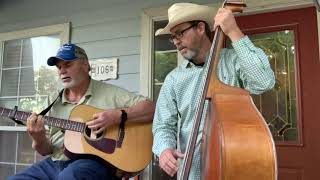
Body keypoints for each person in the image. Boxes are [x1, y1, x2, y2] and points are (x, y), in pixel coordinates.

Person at [152, 3, 275, 179]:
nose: (176, 41)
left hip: (233, 167)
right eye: (173, 37)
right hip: (191, 172)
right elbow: (163, 125)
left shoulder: (232, 62)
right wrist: (164, 149)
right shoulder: (173, 79)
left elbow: (264, 82)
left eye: (180, 33)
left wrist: (233, 31)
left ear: (201, 28)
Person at [9, 44, 155, 180]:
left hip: (95, 164)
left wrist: (116, 116)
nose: (62, 71)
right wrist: (38, 138)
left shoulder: (110, 93)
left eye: (68, 64)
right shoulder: (52, 101)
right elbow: (45, 150)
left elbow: (151, 108)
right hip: (55, 164)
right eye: (59, 67)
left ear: (85, 65)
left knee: (69, 176)